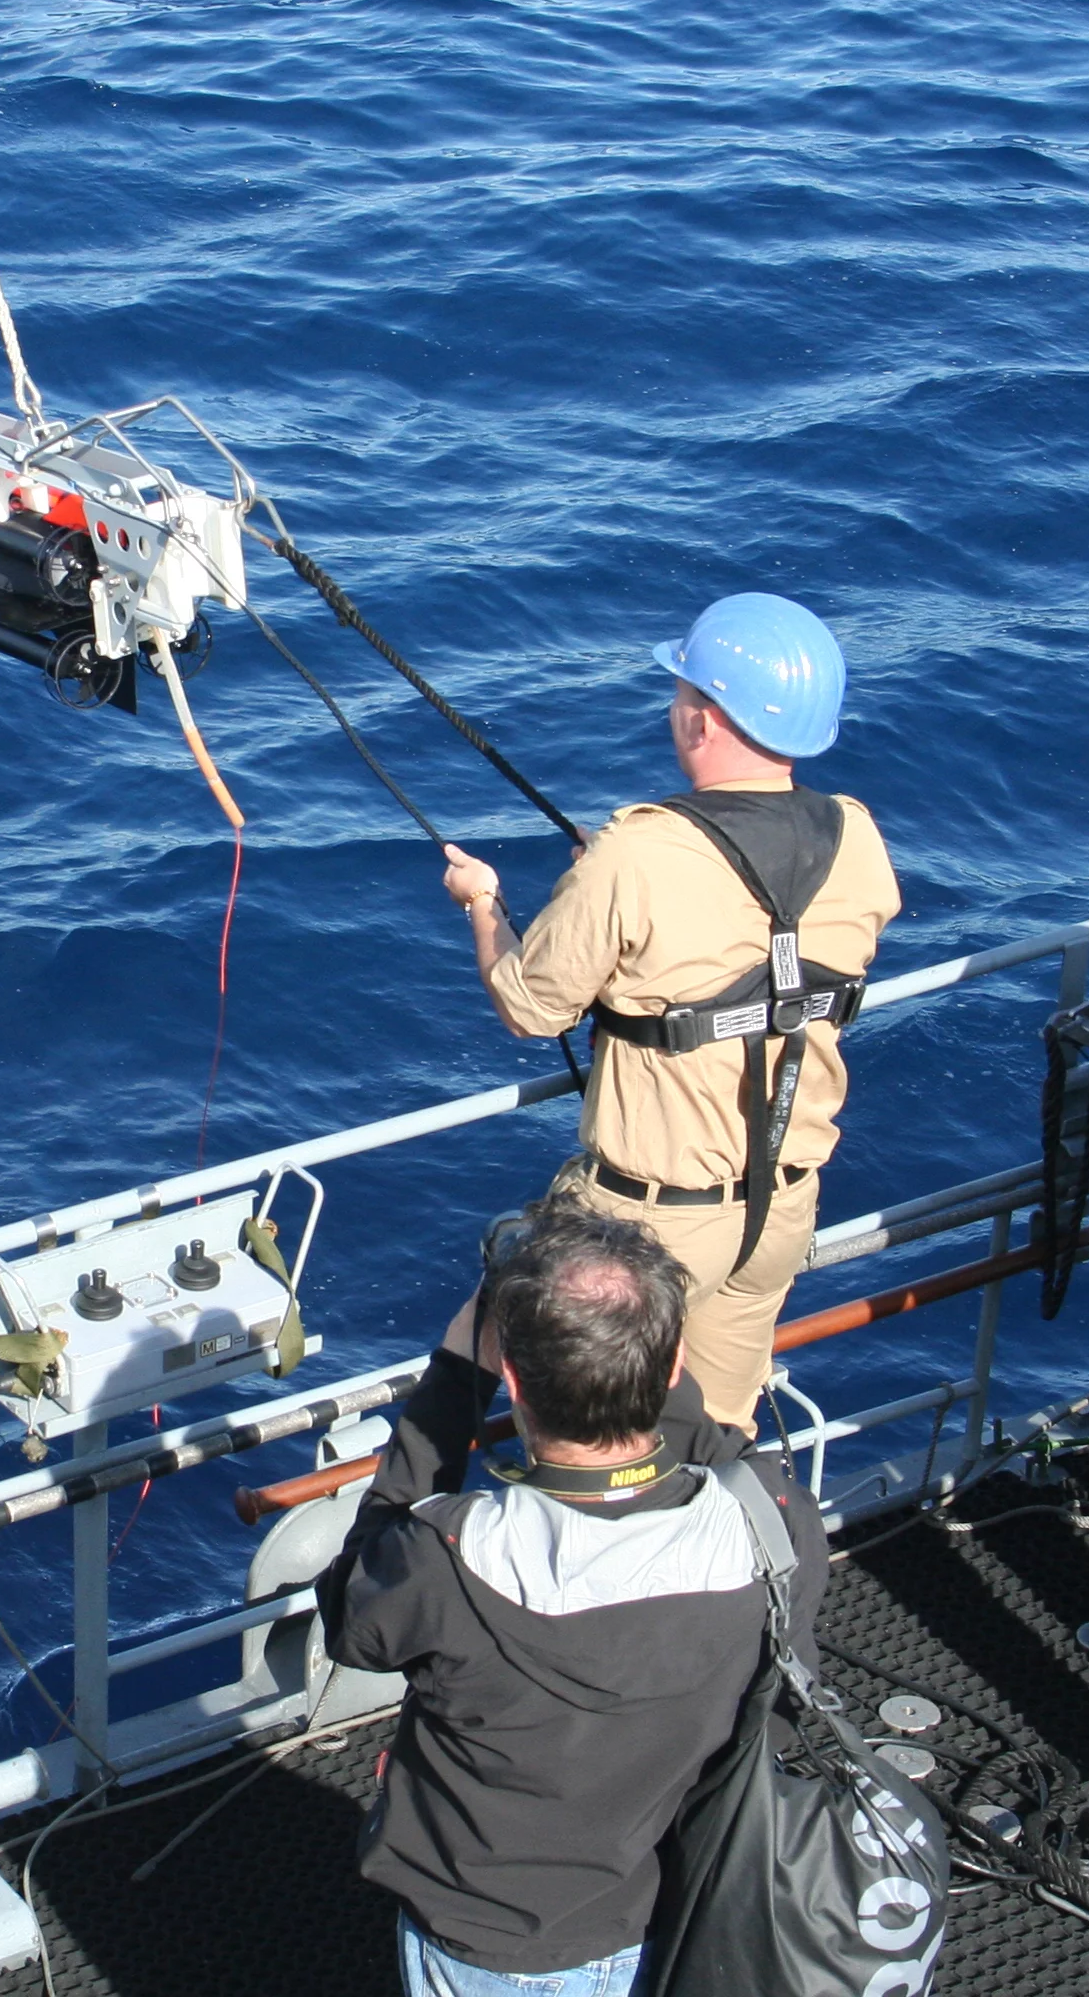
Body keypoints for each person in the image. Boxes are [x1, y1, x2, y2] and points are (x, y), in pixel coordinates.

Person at [319, 1197, 829, 1997]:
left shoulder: (449, 1557)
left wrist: (456, 1377)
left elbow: (354, 1616)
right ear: (671, 1368)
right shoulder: (774, 1523)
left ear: (512, 1380)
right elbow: (715, 1456)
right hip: (693, 1899)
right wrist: (635, 1349)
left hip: (493, 1933)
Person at [440, 592, 899, 1432]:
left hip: (649, 1225)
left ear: (706, 719)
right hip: (781, 1209)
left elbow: (529, 1005)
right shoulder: (857, 834)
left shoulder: (640, 852)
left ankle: (408, 1519)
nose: (673, 708)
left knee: (511, 1365)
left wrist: (483, 902)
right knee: (717, 1428)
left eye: (683, 693)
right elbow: (760, 945)